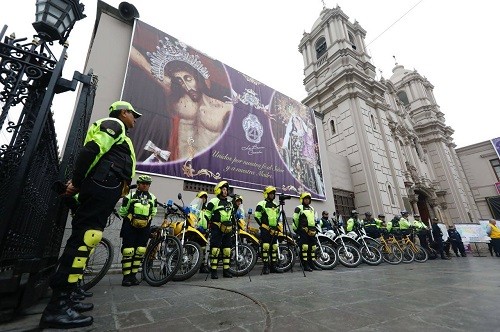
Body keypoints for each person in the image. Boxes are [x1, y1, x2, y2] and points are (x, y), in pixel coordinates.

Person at [39, 101, 141, 329]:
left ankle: (71, 295)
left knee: (87, 239)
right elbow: (91, 151)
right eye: (133, 115)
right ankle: (58, 307)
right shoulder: (113, 124)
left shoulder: (119, 131)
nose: (135, 119)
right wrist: (76, 183)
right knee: (85, 239)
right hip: (101, 186)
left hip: (105, 188)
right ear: (123, 112)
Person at [128, 41, 232, 162]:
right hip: (178, 163)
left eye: (188, 79)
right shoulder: (177, 98)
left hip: (206, 168)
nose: (186, 87)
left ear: (199, 80)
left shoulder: (224, 107)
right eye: (180, 81)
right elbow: (144, 64)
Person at [119, 175, 158, 286]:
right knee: (128, 251)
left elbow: (154, 212)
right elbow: (123, 211)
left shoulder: (153, 198)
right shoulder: (129, 196)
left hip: (145, 227)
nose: (145, 185)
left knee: (140, 251)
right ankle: (126, 277)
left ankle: (133, 276)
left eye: (147, 184)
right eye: (142, 183)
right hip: (130, 226)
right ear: (138, 184)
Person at [205, 181, 234, 279]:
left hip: (228, 229)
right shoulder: (213, 201)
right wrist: (209, 226)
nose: (225, 191)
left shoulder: (230, 203)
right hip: (216, 228)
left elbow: (232, 215)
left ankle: (226, 270)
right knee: (215, 250)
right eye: (224, 189)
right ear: (219, 190)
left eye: (226, 190)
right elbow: (207, 214)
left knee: (227, 249)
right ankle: (214, 271)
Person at [254, 186, 280, 274]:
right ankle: (265, 266)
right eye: (270, 193)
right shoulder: (261, 203)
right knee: (265, 247)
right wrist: (263, 225)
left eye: (273, 194)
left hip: (274, 229)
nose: (272, 195)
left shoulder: (276, 205)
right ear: (266, 194)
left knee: (274, 247)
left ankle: (274, 266)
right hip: (265, 229)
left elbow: (278, 217)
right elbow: (257, 216)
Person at [293, 192, 321, 272]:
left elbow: (314, 219)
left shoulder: (312, 208)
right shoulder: (299, 208)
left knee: (312, 248)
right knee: (304, 248)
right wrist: (298, 229)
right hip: (303, 230)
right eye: (305, 199)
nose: (307, 200)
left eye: (308, 199)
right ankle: (305, 265)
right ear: (302, 199)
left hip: (312, 230)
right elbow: (295, 219)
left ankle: (312, 264)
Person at [189, 191, 210, 273]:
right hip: (194, 230)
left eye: (205, 197)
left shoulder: (207, 209)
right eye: (202, 197)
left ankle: (202, 266)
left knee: (203, 249)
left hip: (204, 231)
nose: (203, 199)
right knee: (190, 248)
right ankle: (189, 265)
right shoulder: (193, 206)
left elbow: (209, 219)